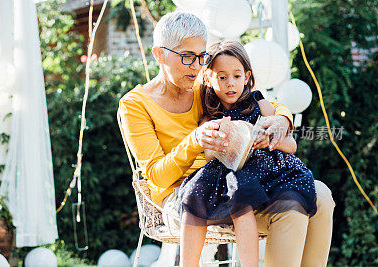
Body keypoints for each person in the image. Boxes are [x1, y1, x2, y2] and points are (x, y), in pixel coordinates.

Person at [119, 11, 335, 267]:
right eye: (188, 57)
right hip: (186, 197)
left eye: (202, 57)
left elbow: (263, 102)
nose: (197, 67)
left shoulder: (206, 85)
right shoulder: (135, 104)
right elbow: (157, 175)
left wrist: (282, 119)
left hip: (236, 177)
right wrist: (195, 139)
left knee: (321, 194)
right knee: (292, 205)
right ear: (159, 54)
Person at [177, 40, 318, 266]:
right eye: (222, 77)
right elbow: (210, 156)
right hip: (230, 171)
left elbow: (291, 145)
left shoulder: (259, 104)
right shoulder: (210, 117)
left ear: (247, 76)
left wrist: (270, 139)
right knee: (206, 194)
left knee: (244, 190)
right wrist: (224, 139)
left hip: (265, 168)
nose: (230, 84)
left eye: (237, 76)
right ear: (208, 78)